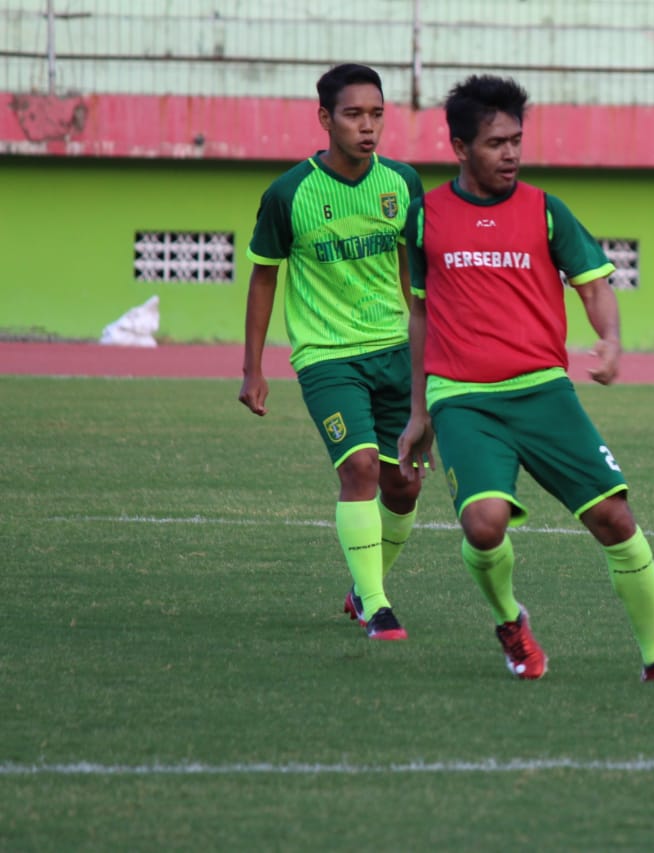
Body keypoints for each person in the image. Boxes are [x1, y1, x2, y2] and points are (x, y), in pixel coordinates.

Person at [397, 74, 654, 686]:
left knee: (615, 518)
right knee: (482, 524)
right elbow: (422, 313)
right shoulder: (425, 216)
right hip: (463, 397)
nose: (510, 153)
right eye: (495, 143)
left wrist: (611, 342)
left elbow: (593, 286)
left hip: (543, 390)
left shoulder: (545, 209)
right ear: (460, 147)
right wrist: (419, 413)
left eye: (516, 140)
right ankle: (511, 622)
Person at [239, 63, 427, 641]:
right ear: (325, 118)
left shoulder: (402, 185)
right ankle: (376, 605)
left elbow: (415, 282)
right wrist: (253, 368)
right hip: (327, 356)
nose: (367, 127)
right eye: (353, 114)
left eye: (376, 114)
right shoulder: (288, 193)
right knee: (361, 469)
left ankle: (361, 585)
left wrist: (433, 359)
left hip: (396, 352)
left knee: (406, 485)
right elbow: (264, 277)